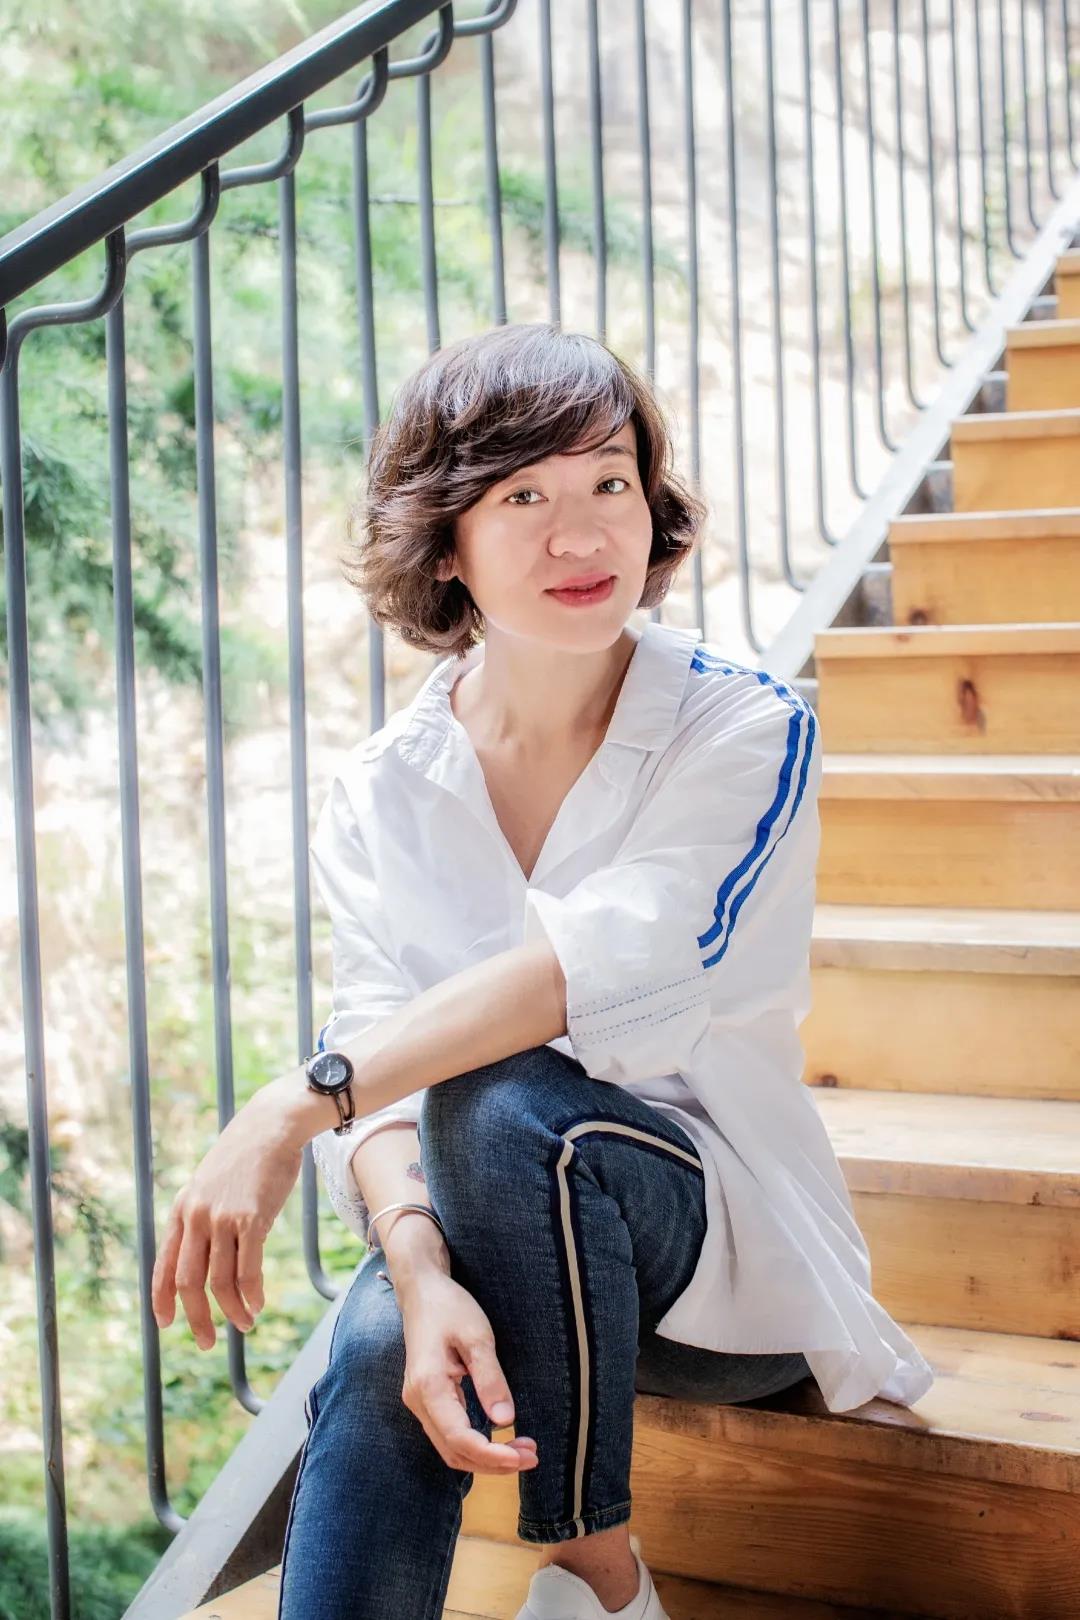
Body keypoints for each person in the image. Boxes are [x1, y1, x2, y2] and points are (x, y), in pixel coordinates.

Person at [151, 322, 935, 1620]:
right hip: (489, 1234)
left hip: (718, 1286)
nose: (582, 536)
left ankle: (597, 1572)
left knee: (501, 1094)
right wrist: (419, 1271)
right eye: (523, 497)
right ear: (443, 542)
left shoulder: (742, 724)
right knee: (383, 1332)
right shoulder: (383, 787)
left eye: (610, 482)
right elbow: (383, 1071)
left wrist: (294, 1100)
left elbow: (596, 970)